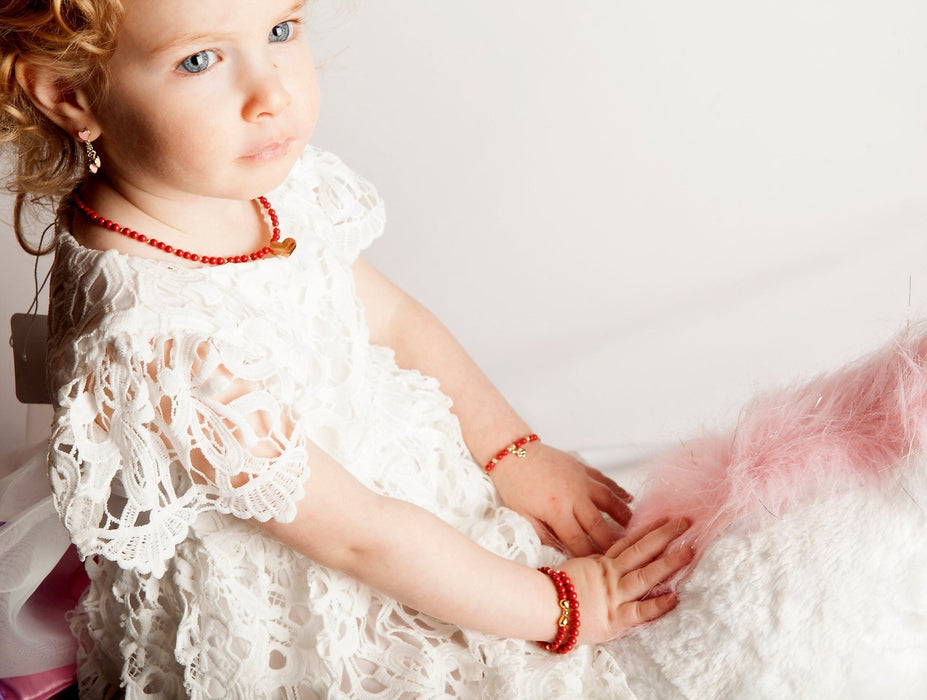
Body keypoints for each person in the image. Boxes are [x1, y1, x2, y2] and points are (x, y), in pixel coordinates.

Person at [0, 0, 694, 695]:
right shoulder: (154, 337)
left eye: (279, 31)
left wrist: (511, 451)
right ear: (69, 94)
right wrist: (560, 607)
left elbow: (393, 317)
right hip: (316, 604)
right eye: (198, 60)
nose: (272, 94)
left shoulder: (245, 185)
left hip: (398, 516)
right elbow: (355, 535)